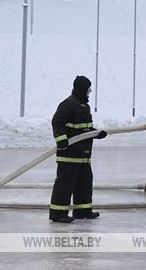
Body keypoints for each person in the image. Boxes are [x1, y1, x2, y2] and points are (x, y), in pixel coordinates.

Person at [49, 75, 107, 223]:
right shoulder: (68, 104)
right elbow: (57, 122)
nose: (90, 90)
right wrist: (61, 140)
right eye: (88, 88)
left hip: (83, 155)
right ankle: (58, 213)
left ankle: (82, 211)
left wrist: (96, 133)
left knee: (84, 184)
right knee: (65, 185)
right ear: (82, 89)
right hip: (69, 155)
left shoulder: (84, 106)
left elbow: (83, 130)